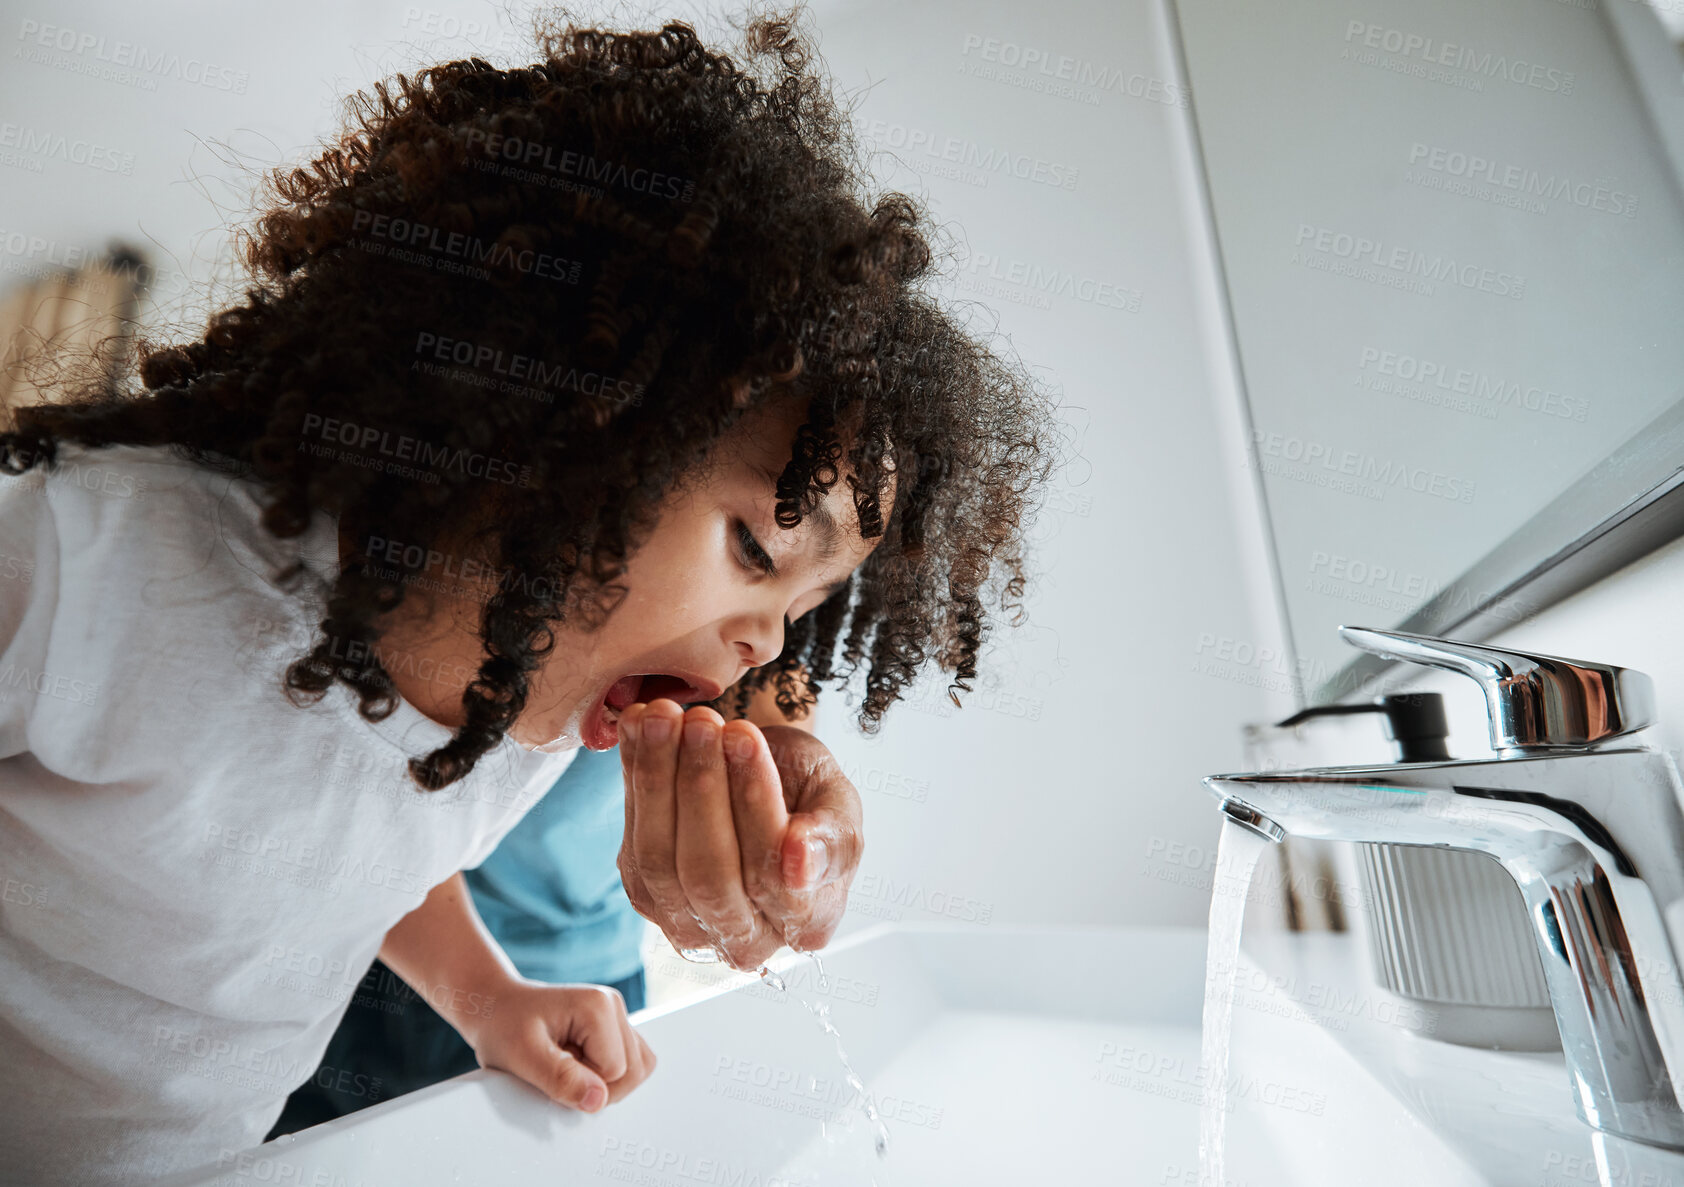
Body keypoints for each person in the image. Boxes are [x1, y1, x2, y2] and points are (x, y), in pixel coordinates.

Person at [0, 12, 1052, 1185]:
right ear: (567, 432)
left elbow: (332, 849)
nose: (768, 638)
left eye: (809, 605)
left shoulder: (524, 715)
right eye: (757, 547)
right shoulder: (96, 562)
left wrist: (485, 993)